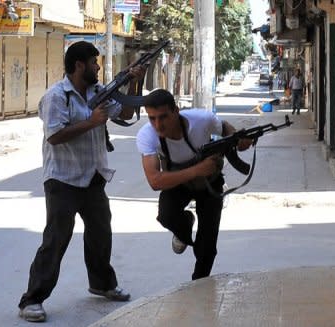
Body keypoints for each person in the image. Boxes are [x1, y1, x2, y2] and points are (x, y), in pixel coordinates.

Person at [18, 41, 146, 323]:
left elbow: (125, 113)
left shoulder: (99, 92)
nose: (98, 67)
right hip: (62, 179)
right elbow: (54, 135)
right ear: (79, 65)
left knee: (101, 233)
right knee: (56, 239)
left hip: (93, 176)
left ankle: (102, 283)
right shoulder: (56, 96)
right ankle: (32, 300)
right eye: (93, 62)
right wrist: (91, 122)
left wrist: (133, 84)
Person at [136, 89, 252, 280]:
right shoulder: (147, 135)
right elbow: (155, 181)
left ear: (176, 110)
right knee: (166, 215)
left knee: (207, 245)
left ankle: (199, 285)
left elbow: (223, 127)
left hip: (210, 183)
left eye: (163, 117)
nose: (158, 124)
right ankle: (185, 226)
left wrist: (238, 139)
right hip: (178, 183)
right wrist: (197, 170)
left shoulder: (201, 120)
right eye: (152, 118)